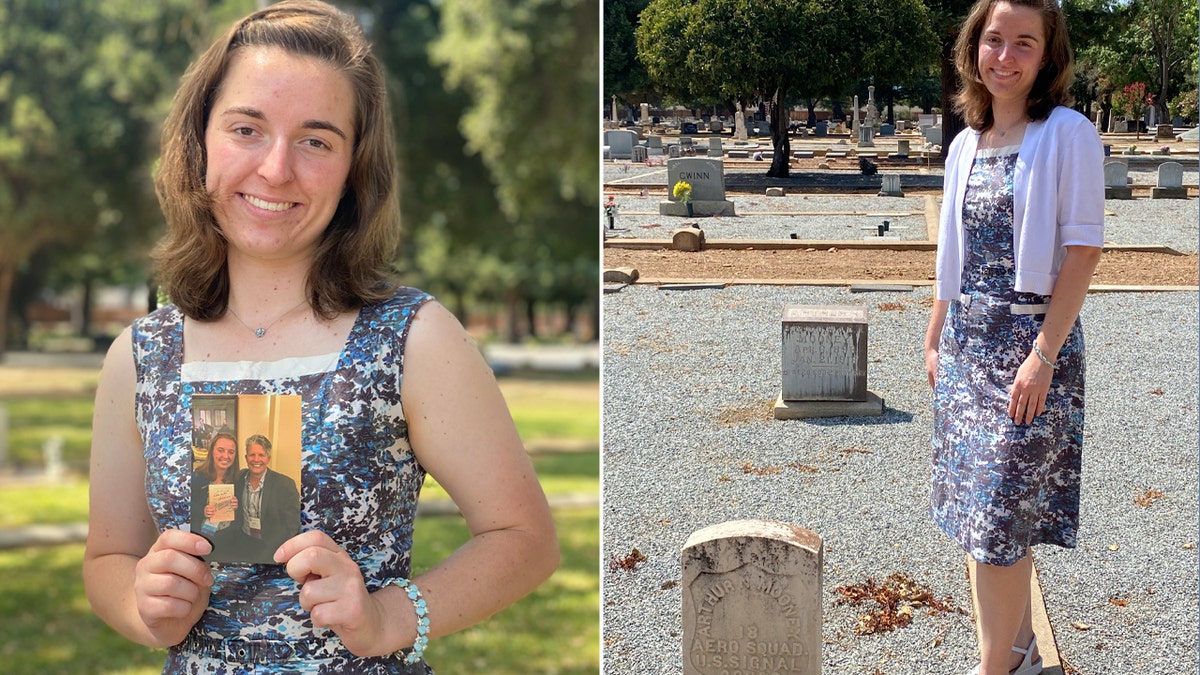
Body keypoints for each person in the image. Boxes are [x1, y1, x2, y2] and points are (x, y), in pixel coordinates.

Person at [82, 2, 559, 672]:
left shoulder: (414, 339)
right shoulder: (140, 356)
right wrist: (143, 605)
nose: (276, 169)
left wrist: (391, 614)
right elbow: (107, 557)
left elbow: (526, 538)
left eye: (316, 140)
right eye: (247, 128)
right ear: (200, 141)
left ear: (353, 169)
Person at [923, 1, 1103, 674]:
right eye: (993, 40)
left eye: (1022, 43)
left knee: (1000, 523)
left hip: (1028, 348)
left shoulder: (1067, 133)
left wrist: (1043, 357)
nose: (1004, 55)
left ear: (1046, 56)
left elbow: (1083, 251)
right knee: (979, 515)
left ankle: (993, 667)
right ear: (974, 49)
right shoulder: (967, 141)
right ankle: (1020, 651)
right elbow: (953, 253)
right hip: (967, 348)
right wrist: (934, 333)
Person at [220, 434, 301, 565]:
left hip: (271, 549)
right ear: (246, 458)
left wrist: (287, 554)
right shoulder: (238, 478)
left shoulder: (285, 484)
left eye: (261, 455)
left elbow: (294, 525)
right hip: (243, 544)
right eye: (252, 455)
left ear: (268, 458)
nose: (256, 459)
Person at [190, 431, 241, 551]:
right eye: (221, 450)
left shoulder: (237, 479)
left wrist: (236, 505)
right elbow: (185, 505)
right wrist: (202, 510)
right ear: (212, 451)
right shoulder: (197, 477)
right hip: (202, 538)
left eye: (231, 452)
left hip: (228, 538)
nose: (226, 456)